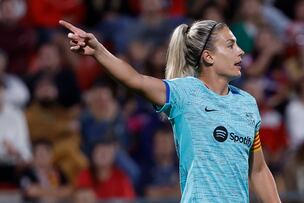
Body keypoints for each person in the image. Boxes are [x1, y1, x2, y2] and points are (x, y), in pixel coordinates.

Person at [60, 19, 281, 202]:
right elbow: (134, 80)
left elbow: (258, 170)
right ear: (208, 56)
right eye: (231, 45)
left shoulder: (247, 104)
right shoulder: (185, 93)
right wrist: (99, 51)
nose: (241, 51)